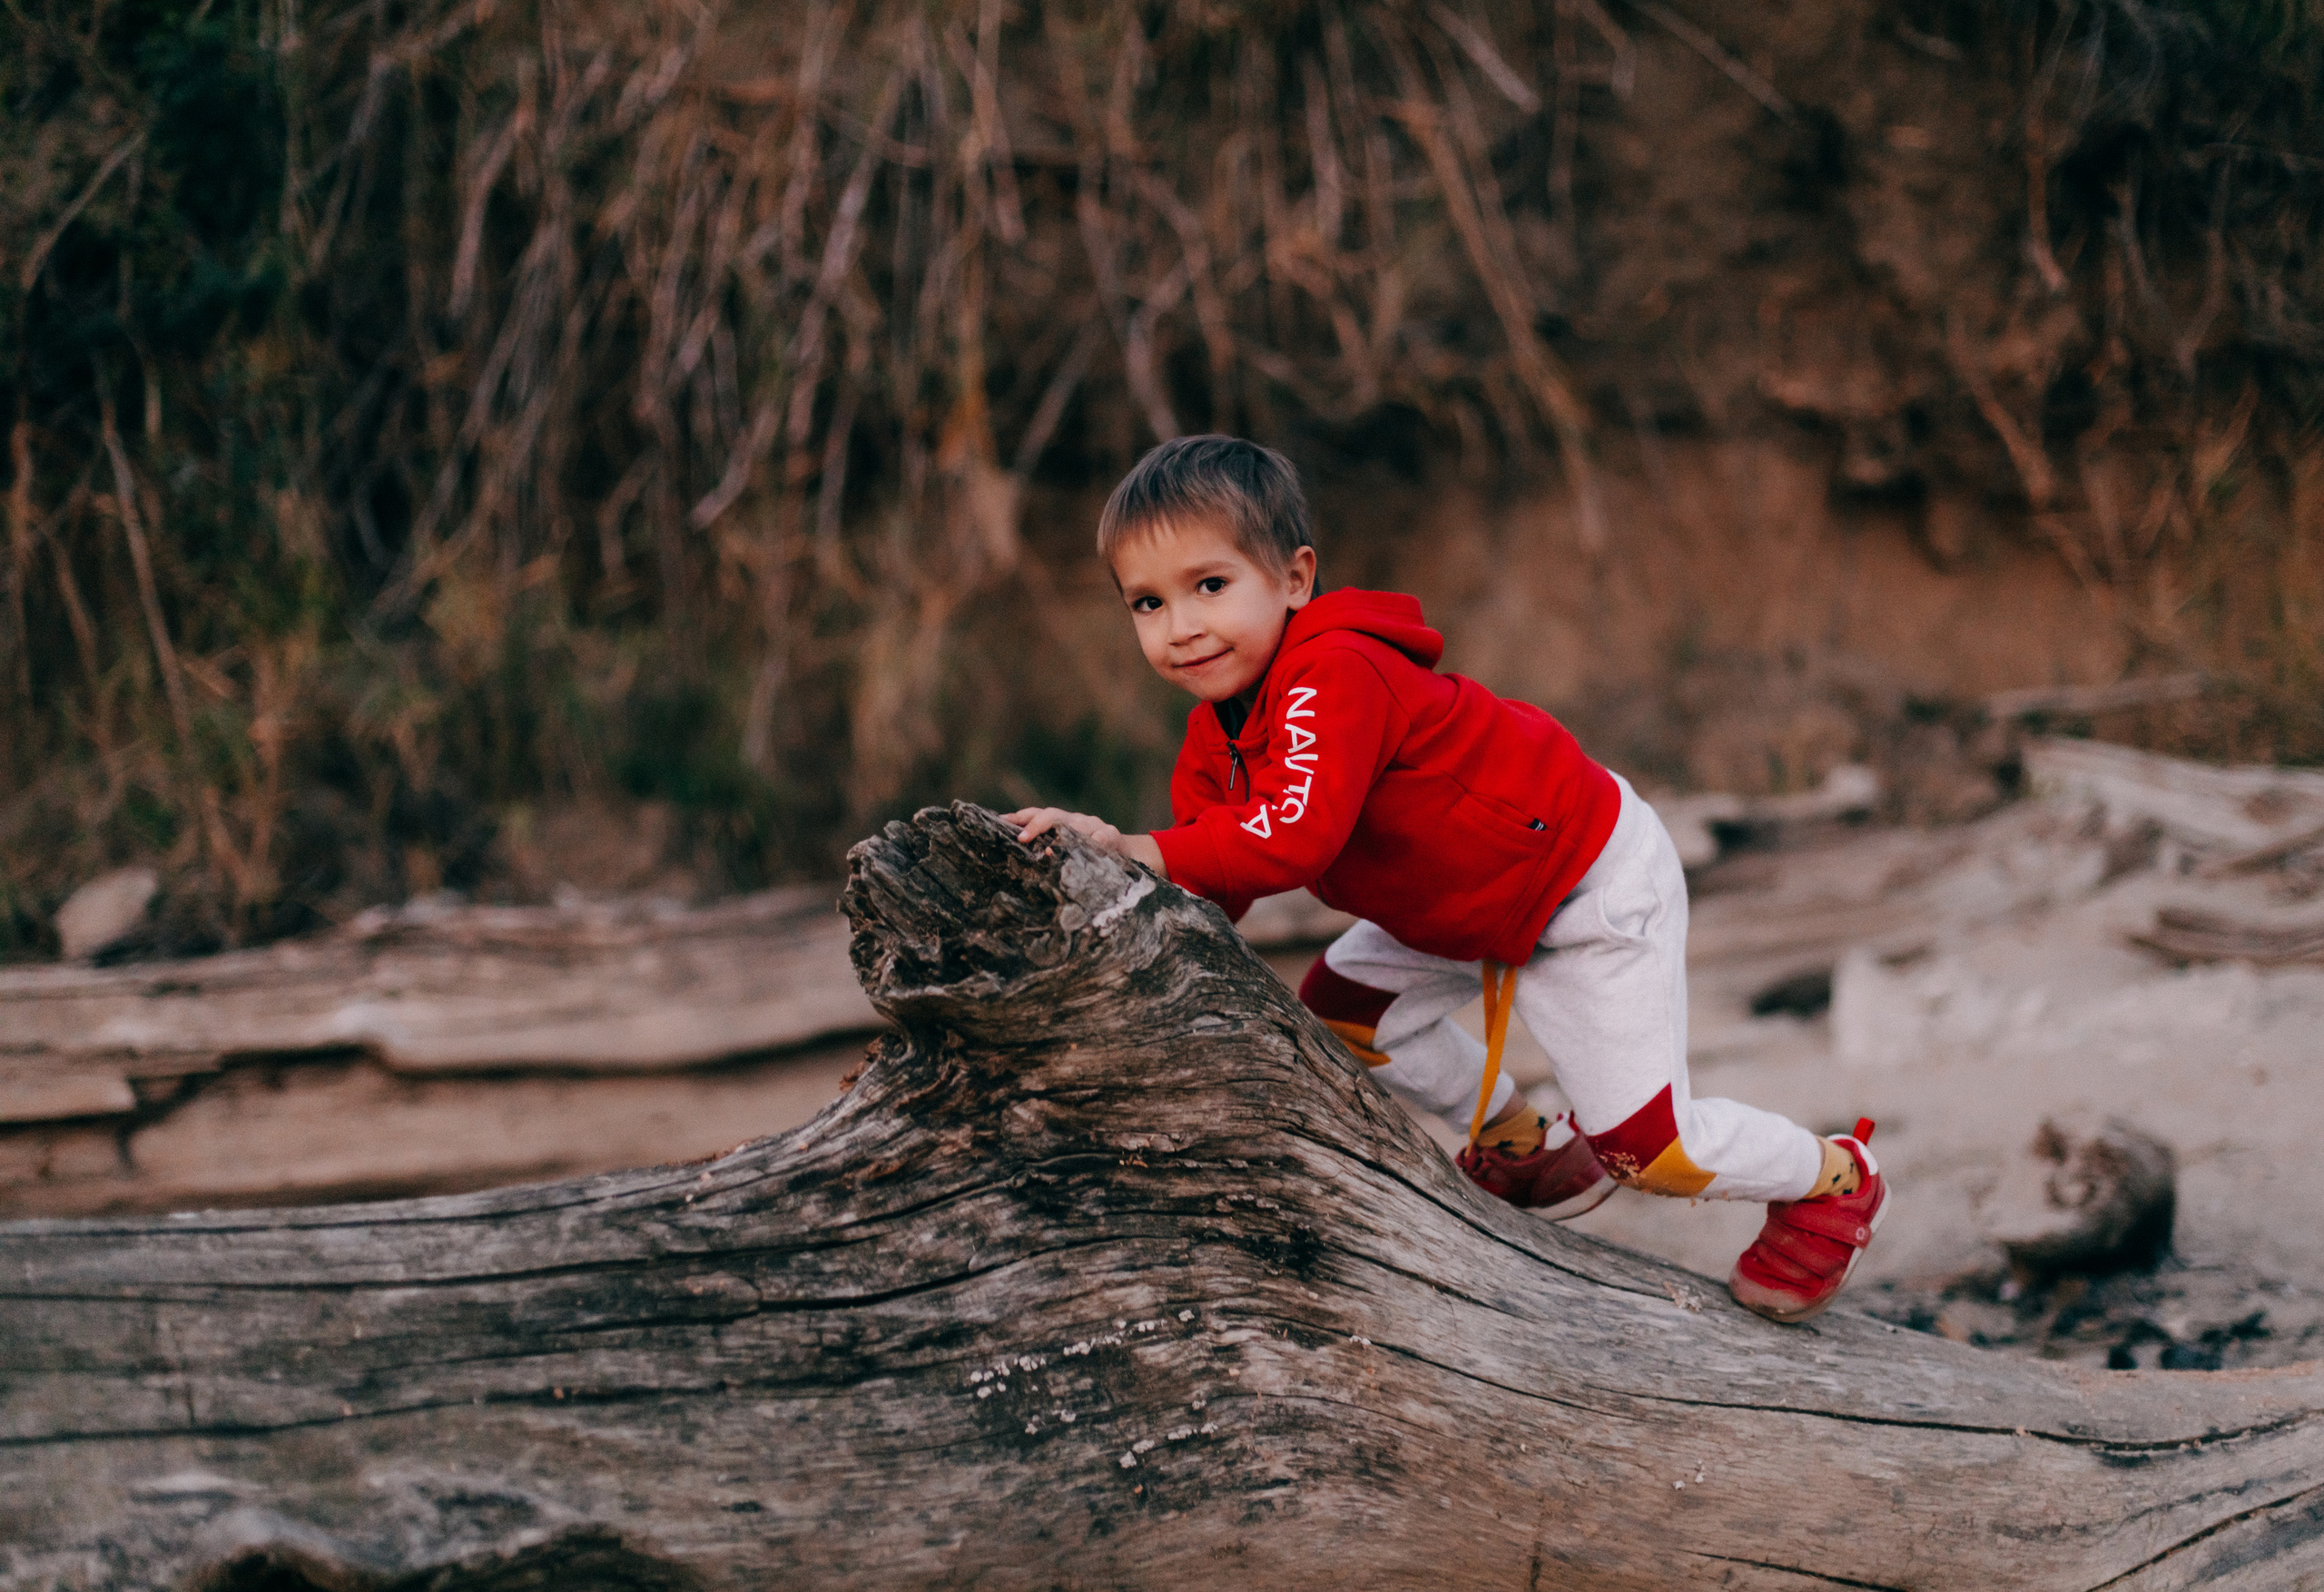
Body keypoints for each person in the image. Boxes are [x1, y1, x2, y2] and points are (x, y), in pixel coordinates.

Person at [1006, 435, 1886, 1322]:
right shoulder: (1215, 739)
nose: (1181, 625)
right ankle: (1524, 1142)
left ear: (1294, 579)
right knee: (1343, 1011)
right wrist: (1093, 880)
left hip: (1578, 878)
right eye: (1148, 602)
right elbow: (1211, 883)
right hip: (1461, 902)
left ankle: (1834, 1178)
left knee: (1650, 1151)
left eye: (1209, 585)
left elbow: (1293, 836)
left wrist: (1142, 847)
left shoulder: (1332, 672)